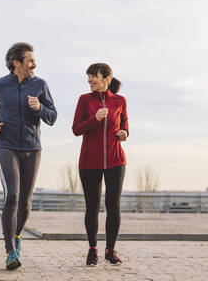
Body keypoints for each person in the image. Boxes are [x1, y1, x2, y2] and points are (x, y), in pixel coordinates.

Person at [0, 42, 57, 270]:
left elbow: (52, 117)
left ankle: (19, 235)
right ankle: (10, 250)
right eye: (30, 60)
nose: (34, 64)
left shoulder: (41, 84)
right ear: (17, 62)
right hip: (7, 147)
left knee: (25, 201)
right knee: (12, 195)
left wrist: (39, 108)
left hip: (33, 149)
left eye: (34, 60)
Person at [72, 63, 129, 266]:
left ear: (107, 78)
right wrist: (94, 119)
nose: (90, 81)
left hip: (115, 160)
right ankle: (92, 249)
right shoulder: (84, 100)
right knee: (92, 207)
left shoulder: (120, 100)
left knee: (113, 206)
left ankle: (110, 250)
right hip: (89, 162)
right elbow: (76, 129)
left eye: (93, 77)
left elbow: (124, 126)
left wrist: (124, 134)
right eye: (88, 78)